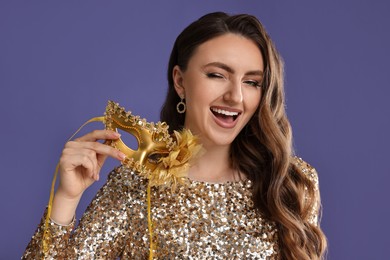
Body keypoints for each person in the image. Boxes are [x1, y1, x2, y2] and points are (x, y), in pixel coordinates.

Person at [23, 12, 327, 259]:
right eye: (217, 75)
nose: (236, 96)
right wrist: (66, 199)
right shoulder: (135, 186)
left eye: (251, 82)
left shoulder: (292, 183)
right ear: (180, 81)